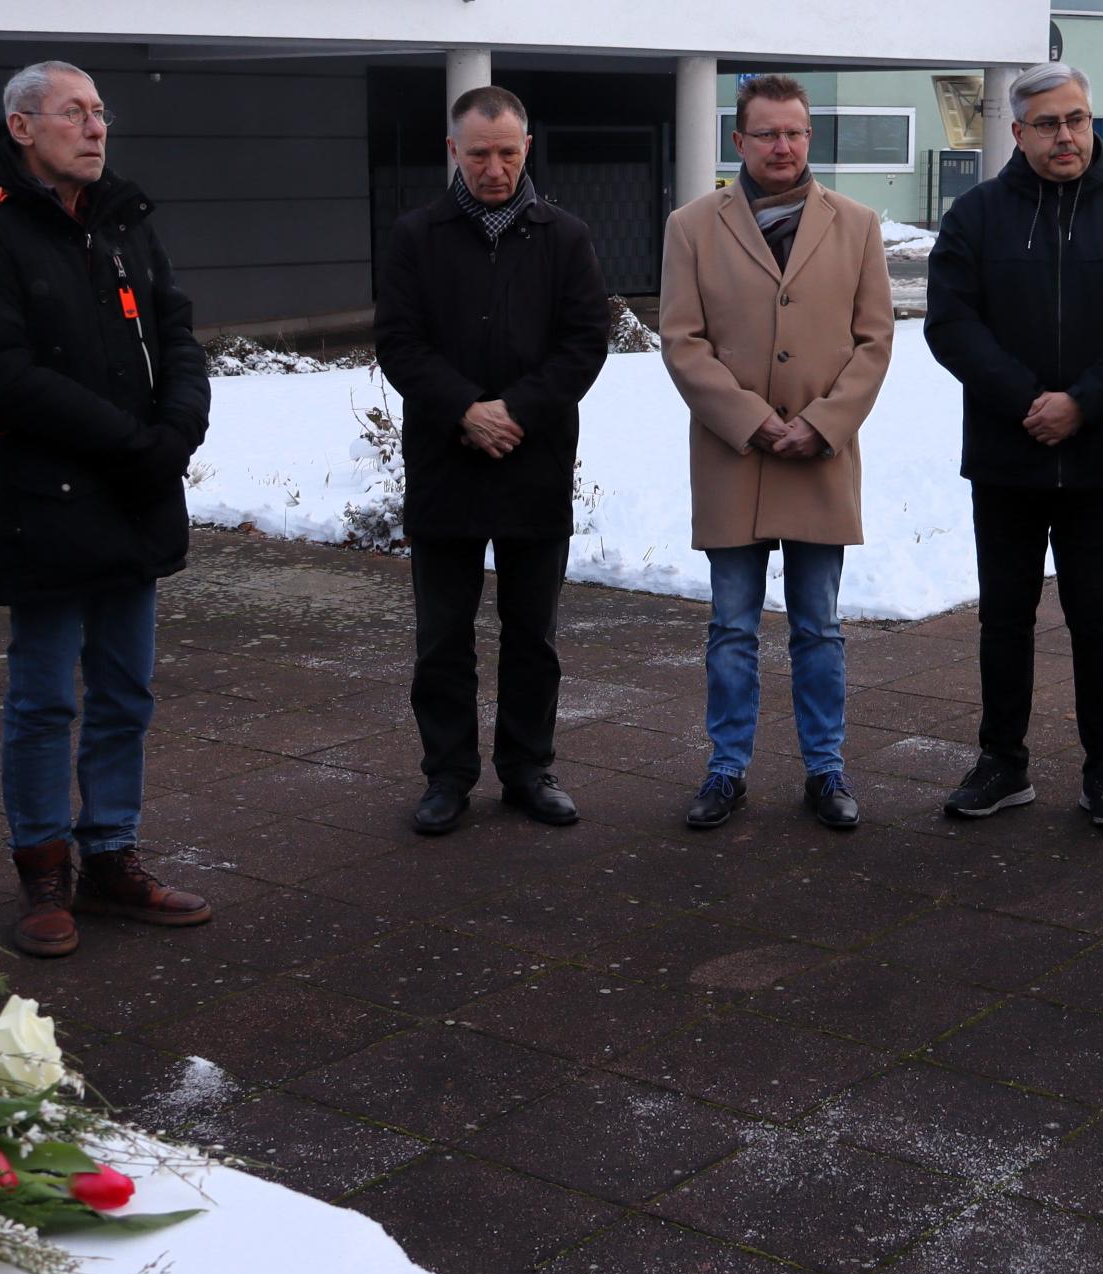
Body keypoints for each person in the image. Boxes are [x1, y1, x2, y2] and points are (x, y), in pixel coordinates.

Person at [0, 60, 212, 958]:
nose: (96, 129)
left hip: (135, 491)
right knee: (46, 696)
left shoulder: (124, 220)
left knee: (126, 691)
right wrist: (133, 443)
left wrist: (179, 427)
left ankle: (112, 856)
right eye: (73, 113)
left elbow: (178, 332)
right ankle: (43, 867)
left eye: (100, 112)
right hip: (43, 498)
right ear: (21, 127)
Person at [925, 62, 1103, 830]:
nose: (1066, 136)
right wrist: (1028, 403)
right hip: (1007, 454)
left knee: (1097, 618)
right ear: (1018, 132)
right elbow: (951, 324)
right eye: (1047, 124)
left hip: (1101, 453)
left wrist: (1084, 403)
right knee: (1004, 619)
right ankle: (1002, 762)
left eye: (1077, 119)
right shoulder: (976, 216)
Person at [660, 74, 894, 831]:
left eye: (794, 132)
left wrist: (823, 423)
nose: (782, 146)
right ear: (739, 141)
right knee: (732, 627)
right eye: (766, 133)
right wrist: (752, 420)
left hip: (820, 457)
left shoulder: (856, 225)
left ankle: (826, 769)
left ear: (809, 136)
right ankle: (726, 768)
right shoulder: (692, 227)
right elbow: (682, 342)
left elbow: (874, 342)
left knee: (818, 627)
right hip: (735, 457)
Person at [376, 86, 609, 837]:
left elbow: (585, 342)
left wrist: (515, 411)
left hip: (533, 460)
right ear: (454, 151)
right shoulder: (416, 236)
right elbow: (399, 342)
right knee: (442, 637)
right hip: (445, 461)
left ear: (527, 148)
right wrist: (466, 409)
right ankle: (447, 776)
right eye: (478, 154)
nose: (494, 168)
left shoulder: (565, 236)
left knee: (532, 634)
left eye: (508, 152)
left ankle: (528, 769)